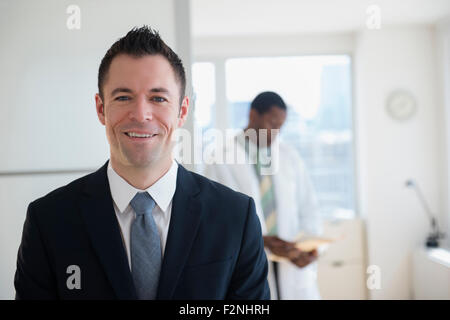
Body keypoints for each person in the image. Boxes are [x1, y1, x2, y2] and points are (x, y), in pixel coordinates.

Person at [14, 26, 270, 300]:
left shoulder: (235, 217)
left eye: (158, 98)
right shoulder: (49, 220)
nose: (141, 114)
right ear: (101, 108)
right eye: (123, 97)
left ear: (182, 111)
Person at [203, 91, 322, 300]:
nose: (275, 132)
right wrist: (260, 240)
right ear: (252, 115)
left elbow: (308, 206)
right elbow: (214, 219)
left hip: (291, 265)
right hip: (247, 261)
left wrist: (310, 248)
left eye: (280, 127)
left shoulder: (288, 156)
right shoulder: (220, 157)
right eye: (271, 123)